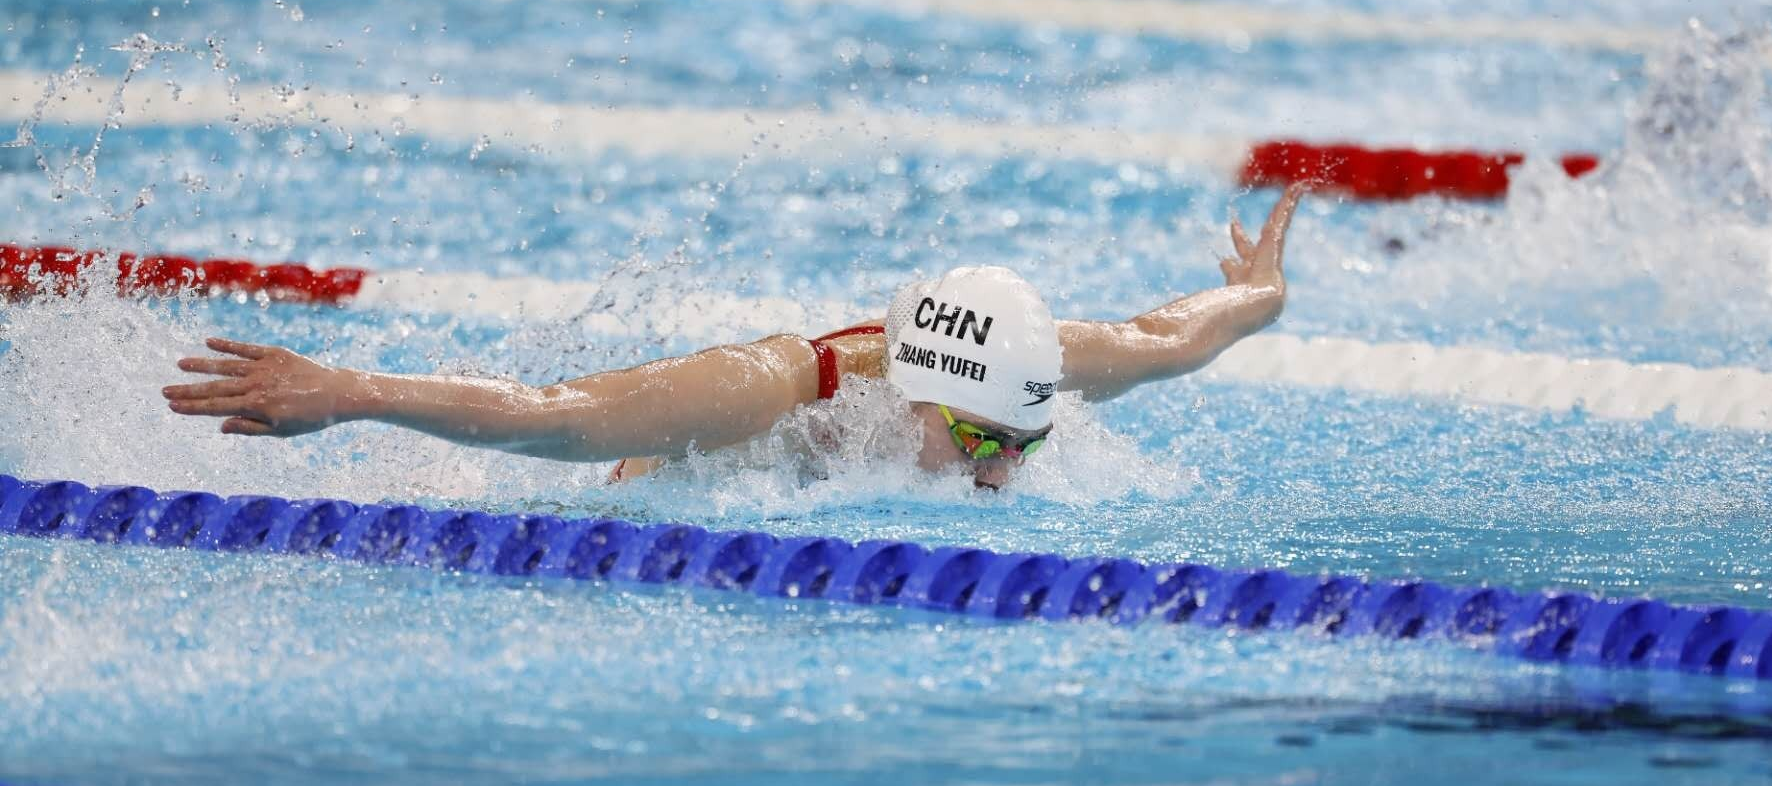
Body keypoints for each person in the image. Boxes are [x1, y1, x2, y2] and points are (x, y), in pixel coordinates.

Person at [162, 187, 1305, 490]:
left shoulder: (1017, 365)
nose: (1005, 470)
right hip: (620, 493)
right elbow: (557, 420)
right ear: (911, 397)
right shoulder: (768, 390)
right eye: (982, 442)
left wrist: (1258, 297)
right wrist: (350, 387)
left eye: (1024, 443)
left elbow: (1165, 338)